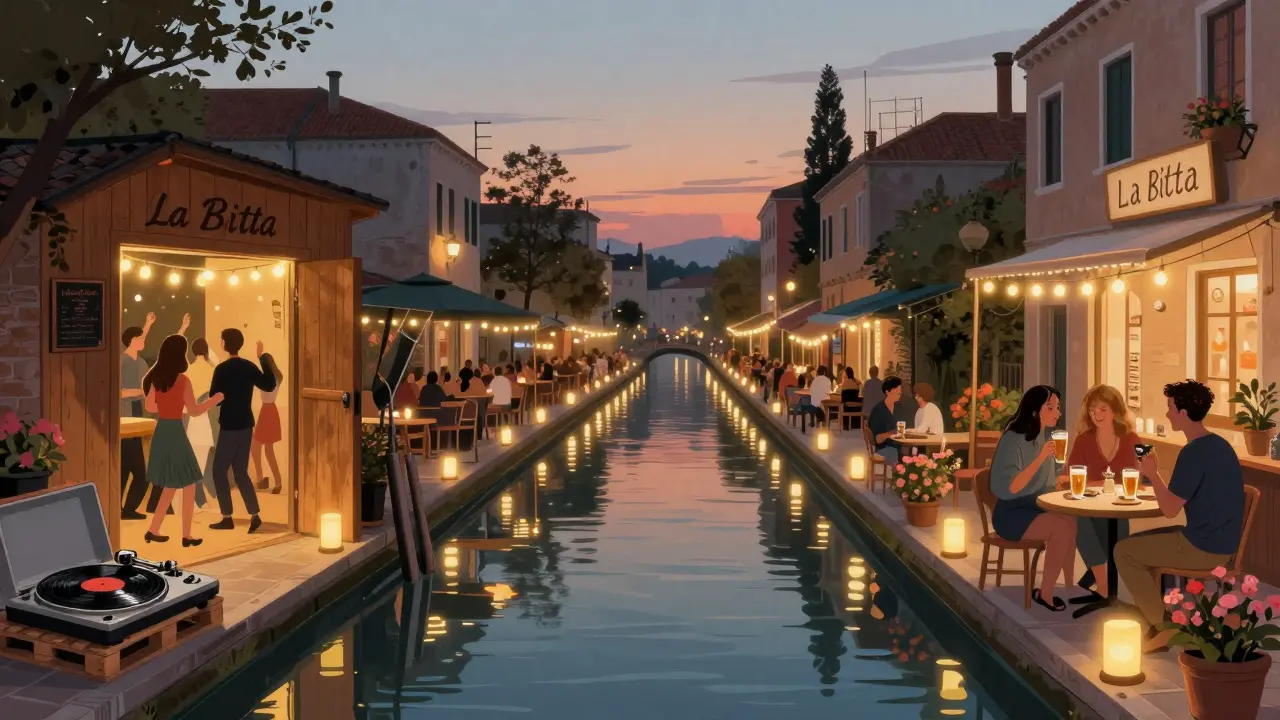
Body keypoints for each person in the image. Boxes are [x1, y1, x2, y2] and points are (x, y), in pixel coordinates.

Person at [1114, 380, 1245, 651]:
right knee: (1141, 543)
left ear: (1184, 413)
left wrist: (1153, 474)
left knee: (1124, 551)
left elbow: (1170, 509)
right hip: (1222, 541)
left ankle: (1164, 629)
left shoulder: (1194, 452)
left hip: (1203, 547)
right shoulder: (1219, 445)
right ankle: (1159, 619)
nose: (1167, 414)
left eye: (1171, 408)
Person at [988, 385, 1078, 612]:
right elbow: (1011, 486)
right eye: (1051, 407)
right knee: (1060, 528)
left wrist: (1066, 476)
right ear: (1035, 411)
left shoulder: (1044, 438)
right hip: (1010, 513)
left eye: (1058, 408)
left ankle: (1067, 586)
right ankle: (1045, 594)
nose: (1057, 413)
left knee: (1071, 521)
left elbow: (1047, 484)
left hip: (1034, 507)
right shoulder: (1013, 439)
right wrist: (1040, 458)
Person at [142, 334, 223, 546]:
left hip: (162, 430)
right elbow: (195, 411)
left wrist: (165, 407)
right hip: (176, 431)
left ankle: (153, 529)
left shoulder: (157, 379)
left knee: (171, 484)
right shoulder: (183, 380)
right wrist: (213, 400)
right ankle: (186, 535)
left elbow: (150, 407)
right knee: (188, 482)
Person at [1067, 384, 1141, 603]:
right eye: (1092, 410)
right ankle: (1105, 584)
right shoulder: (1084, 439)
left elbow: (1141, 476)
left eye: (1102, 409)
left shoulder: (1131, 439)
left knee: (1114, 523)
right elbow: (1071, 476)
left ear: (1115, 411)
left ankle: (1099, 579)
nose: (1096, 415)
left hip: (1118, 507)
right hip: (1090, 506)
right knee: (1078, 519)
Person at [208, 329, 276, 533]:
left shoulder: (222, 369)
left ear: (224, 344)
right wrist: (262, 356)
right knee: (240, 470)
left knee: (219, 470)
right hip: (246, 423)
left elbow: (215, 396)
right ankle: (254, 514)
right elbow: (269, 383)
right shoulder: (249, 366)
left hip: (229, 424)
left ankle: (227, 516)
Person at [185, 338, 219, 509]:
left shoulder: (189, 370)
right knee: (202, 461)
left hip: (192, 420)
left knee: (197, 461)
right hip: (206, 419)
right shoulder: (213, 370)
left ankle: (200, 500)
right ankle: (201, 500)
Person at [252, 354, 286, 494]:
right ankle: (273, 481)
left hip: (266, 411)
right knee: (266, 449)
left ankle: (264, 479)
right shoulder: (278, 376)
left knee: (259, 447)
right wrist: (260, 355)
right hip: (270, 410)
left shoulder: (268, 379)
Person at [867, 376, 905, 467]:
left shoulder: (899, 408)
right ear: (887, 392)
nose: (899, 391)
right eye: (896, 389)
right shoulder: (878, 410)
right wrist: (890, 433)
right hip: (883, 448)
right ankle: (897, 480)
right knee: (901, 455)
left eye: (899, 389)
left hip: (898, 446)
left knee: (913, 454)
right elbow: (877, 439)